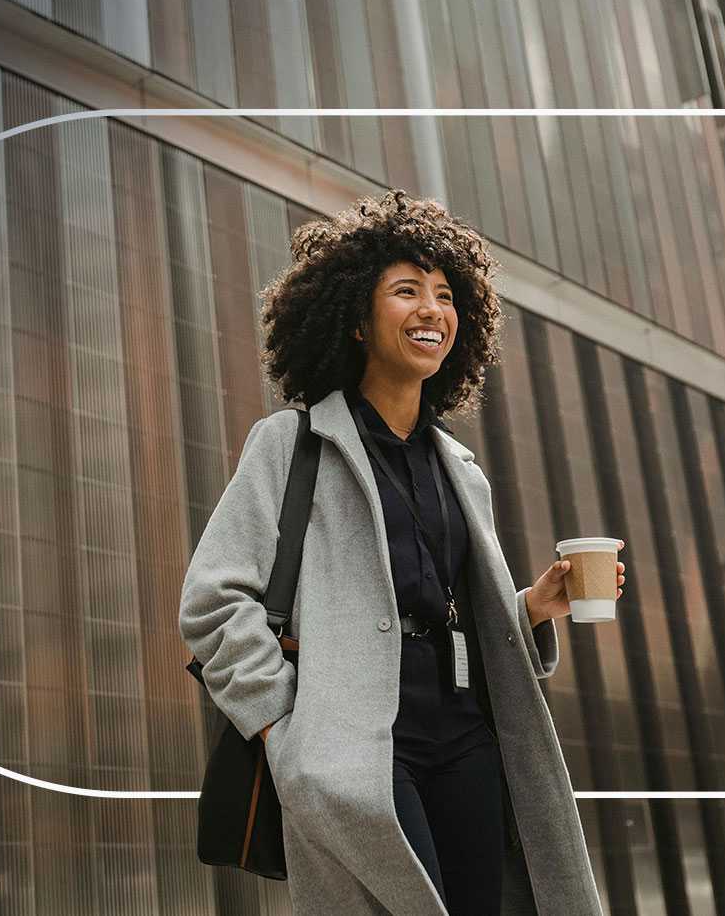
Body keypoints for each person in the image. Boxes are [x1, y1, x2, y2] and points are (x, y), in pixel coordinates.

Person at [180, 189, 625, 915]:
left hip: (465, 737)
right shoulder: (292, 446)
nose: (431, 310)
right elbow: (212, 602)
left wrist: (532, 608)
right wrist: (287, 730)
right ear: (356, 318)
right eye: (406, 291)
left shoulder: (461, 469)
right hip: (354, 747)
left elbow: (441, 612)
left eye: (446, 295)